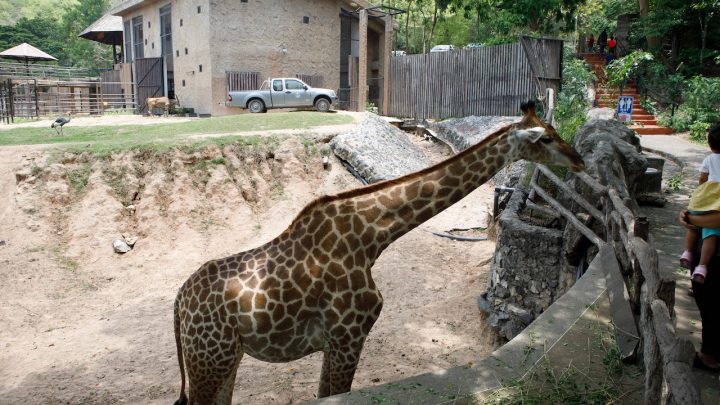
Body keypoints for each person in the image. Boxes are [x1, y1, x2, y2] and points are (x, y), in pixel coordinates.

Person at [679, 209, 720, 371]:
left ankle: (709, 354)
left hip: (715, 257)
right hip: (702, 249)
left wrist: (692, 218)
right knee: (707, 304)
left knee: (711, 306)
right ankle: (711, 351)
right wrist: (687, 214)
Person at [679, 123, 720, 284]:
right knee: (711, 233)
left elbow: (702, 179)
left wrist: (690, 216)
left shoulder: (709, 159)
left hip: (706, 195)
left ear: (710, 145)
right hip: (716, 201)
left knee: (694, 228)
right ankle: (702, 265)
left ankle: (687, 251)